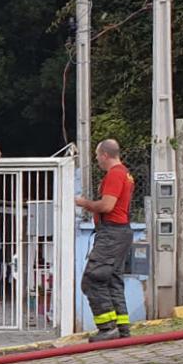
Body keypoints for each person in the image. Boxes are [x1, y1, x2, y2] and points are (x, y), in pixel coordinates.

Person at [76, 139, 135, 342]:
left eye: (96, 156)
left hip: (111, 234)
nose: (96, 160)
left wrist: (84, 203)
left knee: (92, 279)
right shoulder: (125, 174)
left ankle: (107, 328)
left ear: (104, 155)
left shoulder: (115, 174)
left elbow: (107, 206)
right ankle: (122, 328)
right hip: (120, 233)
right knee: (112, 281)